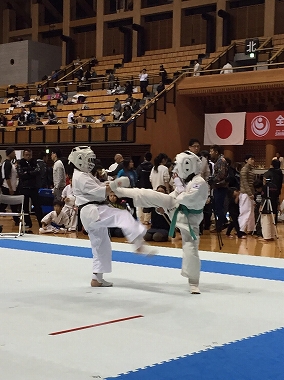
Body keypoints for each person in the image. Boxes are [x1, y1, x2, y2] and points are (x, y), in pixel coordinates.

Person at [109, 150, 208, 294]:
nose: (176, 170)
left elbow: (186, 198)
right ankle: (119, 191)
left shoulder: (199, 183)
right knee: (151, 195)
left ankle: (193, 282)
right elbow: (175, 195)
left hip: (190, 219)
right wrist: (165, 206)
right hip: (177, 208)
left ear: (187, 166)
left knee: (190, 248)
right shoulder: (184, 180)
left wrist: (171, 203)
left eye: (178, 166)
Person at [68, 146, 150, 287]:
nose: (92, 163)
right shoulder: (81, 177)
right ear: (80, 160)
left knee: (101, 245)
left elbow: (101, 185)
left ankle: (97, 278)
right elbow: (102, 191)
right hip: (92, 210)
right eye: (90, 160)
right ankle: (138, 243)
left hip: (90, 213)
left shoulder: (83, 174)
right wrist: (117, 184)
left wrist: (113, 183)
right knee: (122, 215)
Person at [17, 148, 42, 230]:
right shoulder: (20, 163)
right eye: (26, 155)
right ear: (23, 155)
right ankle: (28, 222)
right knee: (25, 207)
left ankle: (41, 223)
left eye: (29, 155)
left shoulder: (35, 162)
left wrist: (27, 172)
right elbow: (21, 174)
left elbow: (38, 171)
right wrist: (30, 173)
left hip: (33, 187)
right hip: (24, 187)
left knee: (37, 206)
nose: (28, 157)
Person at [209, 145, 228, 232]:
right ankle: (223, 222)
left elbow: (221, 175)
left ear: (216, 152)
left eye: (211, 151)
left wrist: (212, 179)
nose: (210, 153)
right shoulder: (218, 161)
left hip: (220, 187)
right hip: (218, 186)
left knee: (218, 207)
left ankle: (220, 225)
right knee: (217, 207)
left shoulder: (221, 161)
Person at [0, 147, 20, 226]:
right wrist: (10, 188)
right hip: (7, 187)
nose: (15, 154)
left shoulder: (10, 163)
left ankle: (17, 220)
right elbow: (6, 177)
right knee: (5, 204)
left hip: (11, 187)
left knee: (13, 205)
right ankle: (17, 220)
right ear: (10, 153)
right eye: (14, 152)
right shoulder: (7, 163)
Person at [238, 154, 255, 238]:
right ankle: (241, 230)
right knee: (245, 212)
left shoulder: (250, 169)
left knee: (251, 212)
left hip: (250, 194)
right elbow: (245, 183)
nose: (253, 161)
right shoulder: (244, 169)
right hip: (245, 194)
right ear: (246, 160)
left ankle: (250, 229)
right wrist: (250, 193)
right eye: (251, 159)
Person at [259, 173, 279, 242]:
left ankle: (266, 237)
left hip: (266, 206)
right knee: (272, 221)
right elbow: (277, 197)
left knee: (265, 221)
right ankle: (272, 235)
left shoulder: (265, 187)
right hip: (274, 205)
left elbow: (264, 197)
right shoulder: (275, 186)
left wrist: (261, 206)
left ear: (265, 179)